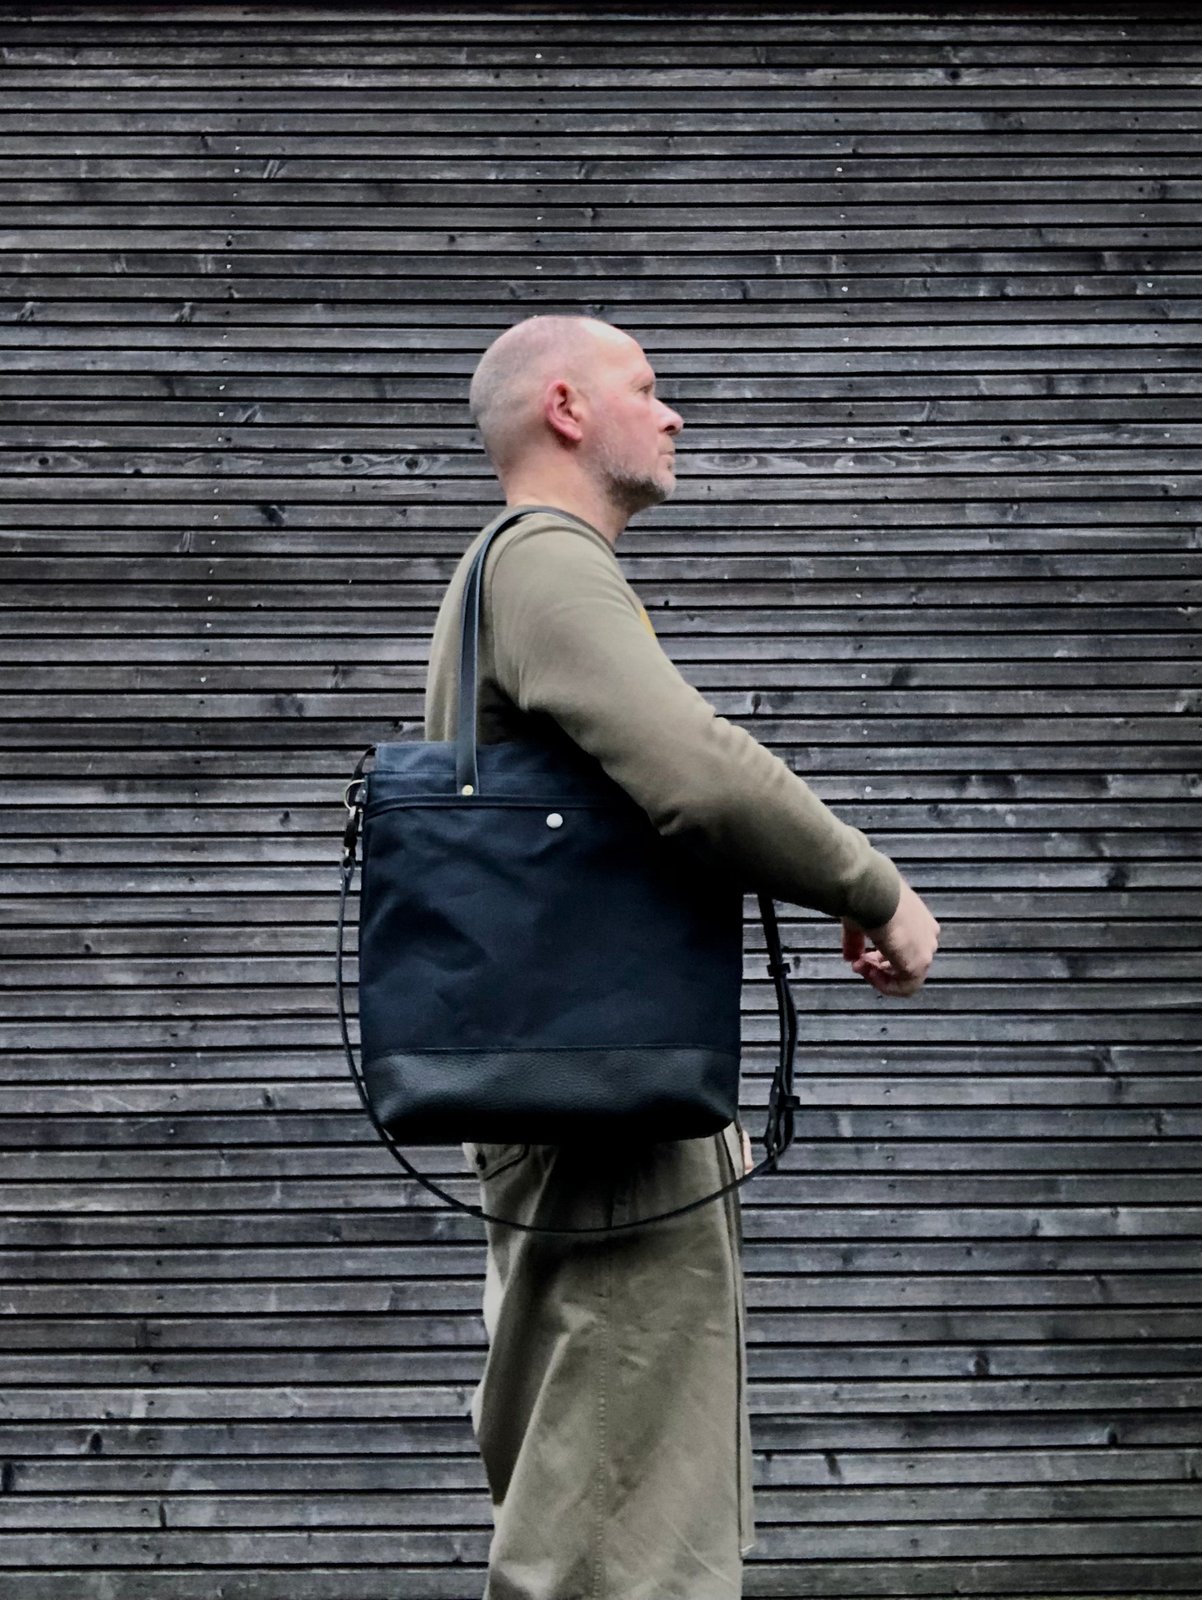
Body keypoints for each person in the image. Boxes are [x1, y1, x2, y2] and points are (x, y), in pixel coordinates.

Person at [423, 315, 941, 1600]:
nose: (673, 416)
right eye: (646, 390)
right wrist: (879, 893)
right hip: (609, 1110)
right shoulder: (544, 561)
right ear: (561, 407)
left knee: (603, 1479)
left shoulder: (511, 574)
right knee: (618, 1530)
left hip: (587, 1086)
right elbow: (695, 773)